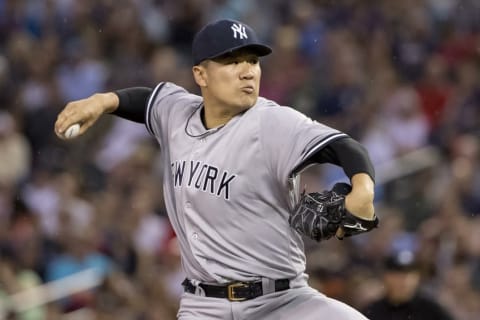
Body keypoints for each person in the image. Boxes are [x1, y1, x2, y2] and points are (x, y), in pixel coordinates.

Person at [55, 19, 376, 320]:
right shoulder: (177, 112)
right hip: (204, 307)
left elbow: (346, 148)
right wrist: (101, 101)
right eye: (232, 61)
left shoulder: (273, 122)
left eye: (253, 60)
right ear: (201, 75)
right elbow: (146, 100)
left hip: (284, 302)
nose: (247, 71)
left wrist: (363, 189)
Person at [362, 249, 453, 320]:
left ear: (417, 277)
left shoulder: (431, 310)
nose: (404, 280)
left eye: (409, 274)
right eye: (397, 274)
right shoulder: (372, 311)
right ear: (386, 277)